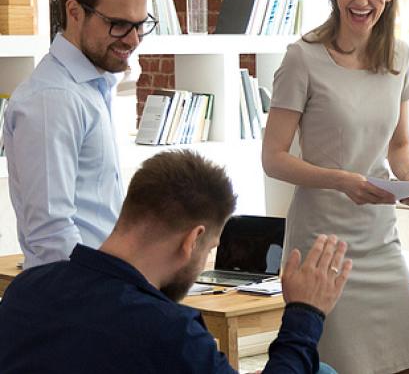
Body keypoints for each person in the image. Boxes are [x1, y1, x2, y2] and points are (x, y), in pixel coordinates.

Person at [0, 149, 349, 373]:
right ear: (192, 239)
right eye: (210, 246)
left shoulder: (25, 289)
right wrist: (305, 315)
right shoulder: (169, 332)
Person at [261, 0, 409, 374]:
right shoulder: (303, 58)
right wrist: (342, 180)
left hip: (380, 241)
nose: (361, 1)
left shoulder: (400, 55)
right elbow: (273, 157)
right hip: (323, 248)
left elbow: (399, 144)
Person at [2, 0, 157, 269]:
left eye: (140, 24)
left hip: (98, 289)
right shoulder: (53, 100)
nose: (133, 40)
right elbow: (51, 236)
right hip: (76, 300)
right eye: (118, 24)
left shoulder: (89, 88)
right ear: (74, 12)